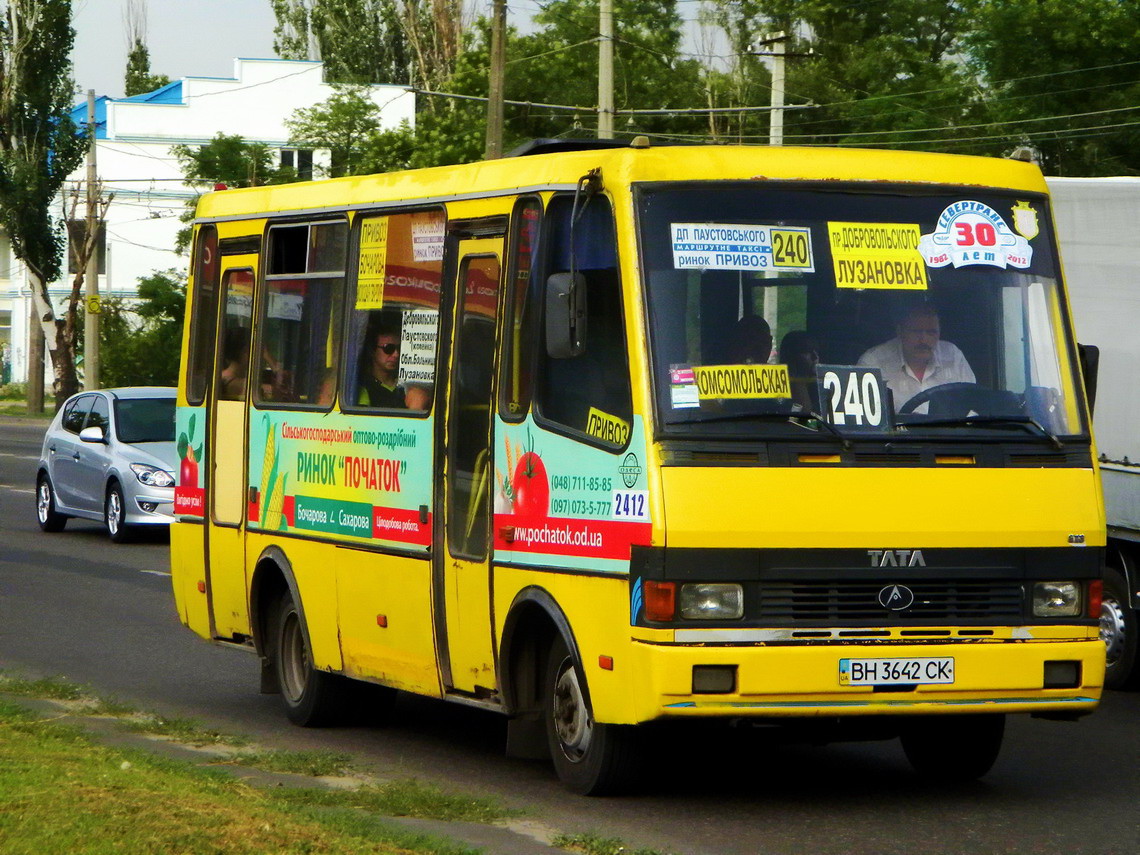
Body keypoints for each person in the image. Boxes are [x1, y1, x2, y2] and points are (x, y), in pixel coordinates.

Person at [859, 303, 974, 410]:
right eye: (916, 332)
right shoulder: (874, 362)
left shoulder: (953, 357)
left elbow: (972, 406)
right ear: (900, 332)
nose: (923, 340)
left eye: (931, 332)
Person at [357, 322, 407, 408]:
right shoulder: (364, 388)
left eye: (399, 349)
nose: (396, 354)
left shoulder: (406, 385)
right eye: (388, 348)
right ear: (372, 351)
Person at [780, 330, 820, 411]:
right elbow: (799, 417)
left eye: (816, 351)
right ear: (790, 356)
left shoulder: (819, 389)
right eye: (807, 351)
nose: (815, 357)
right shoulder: (780, 395)